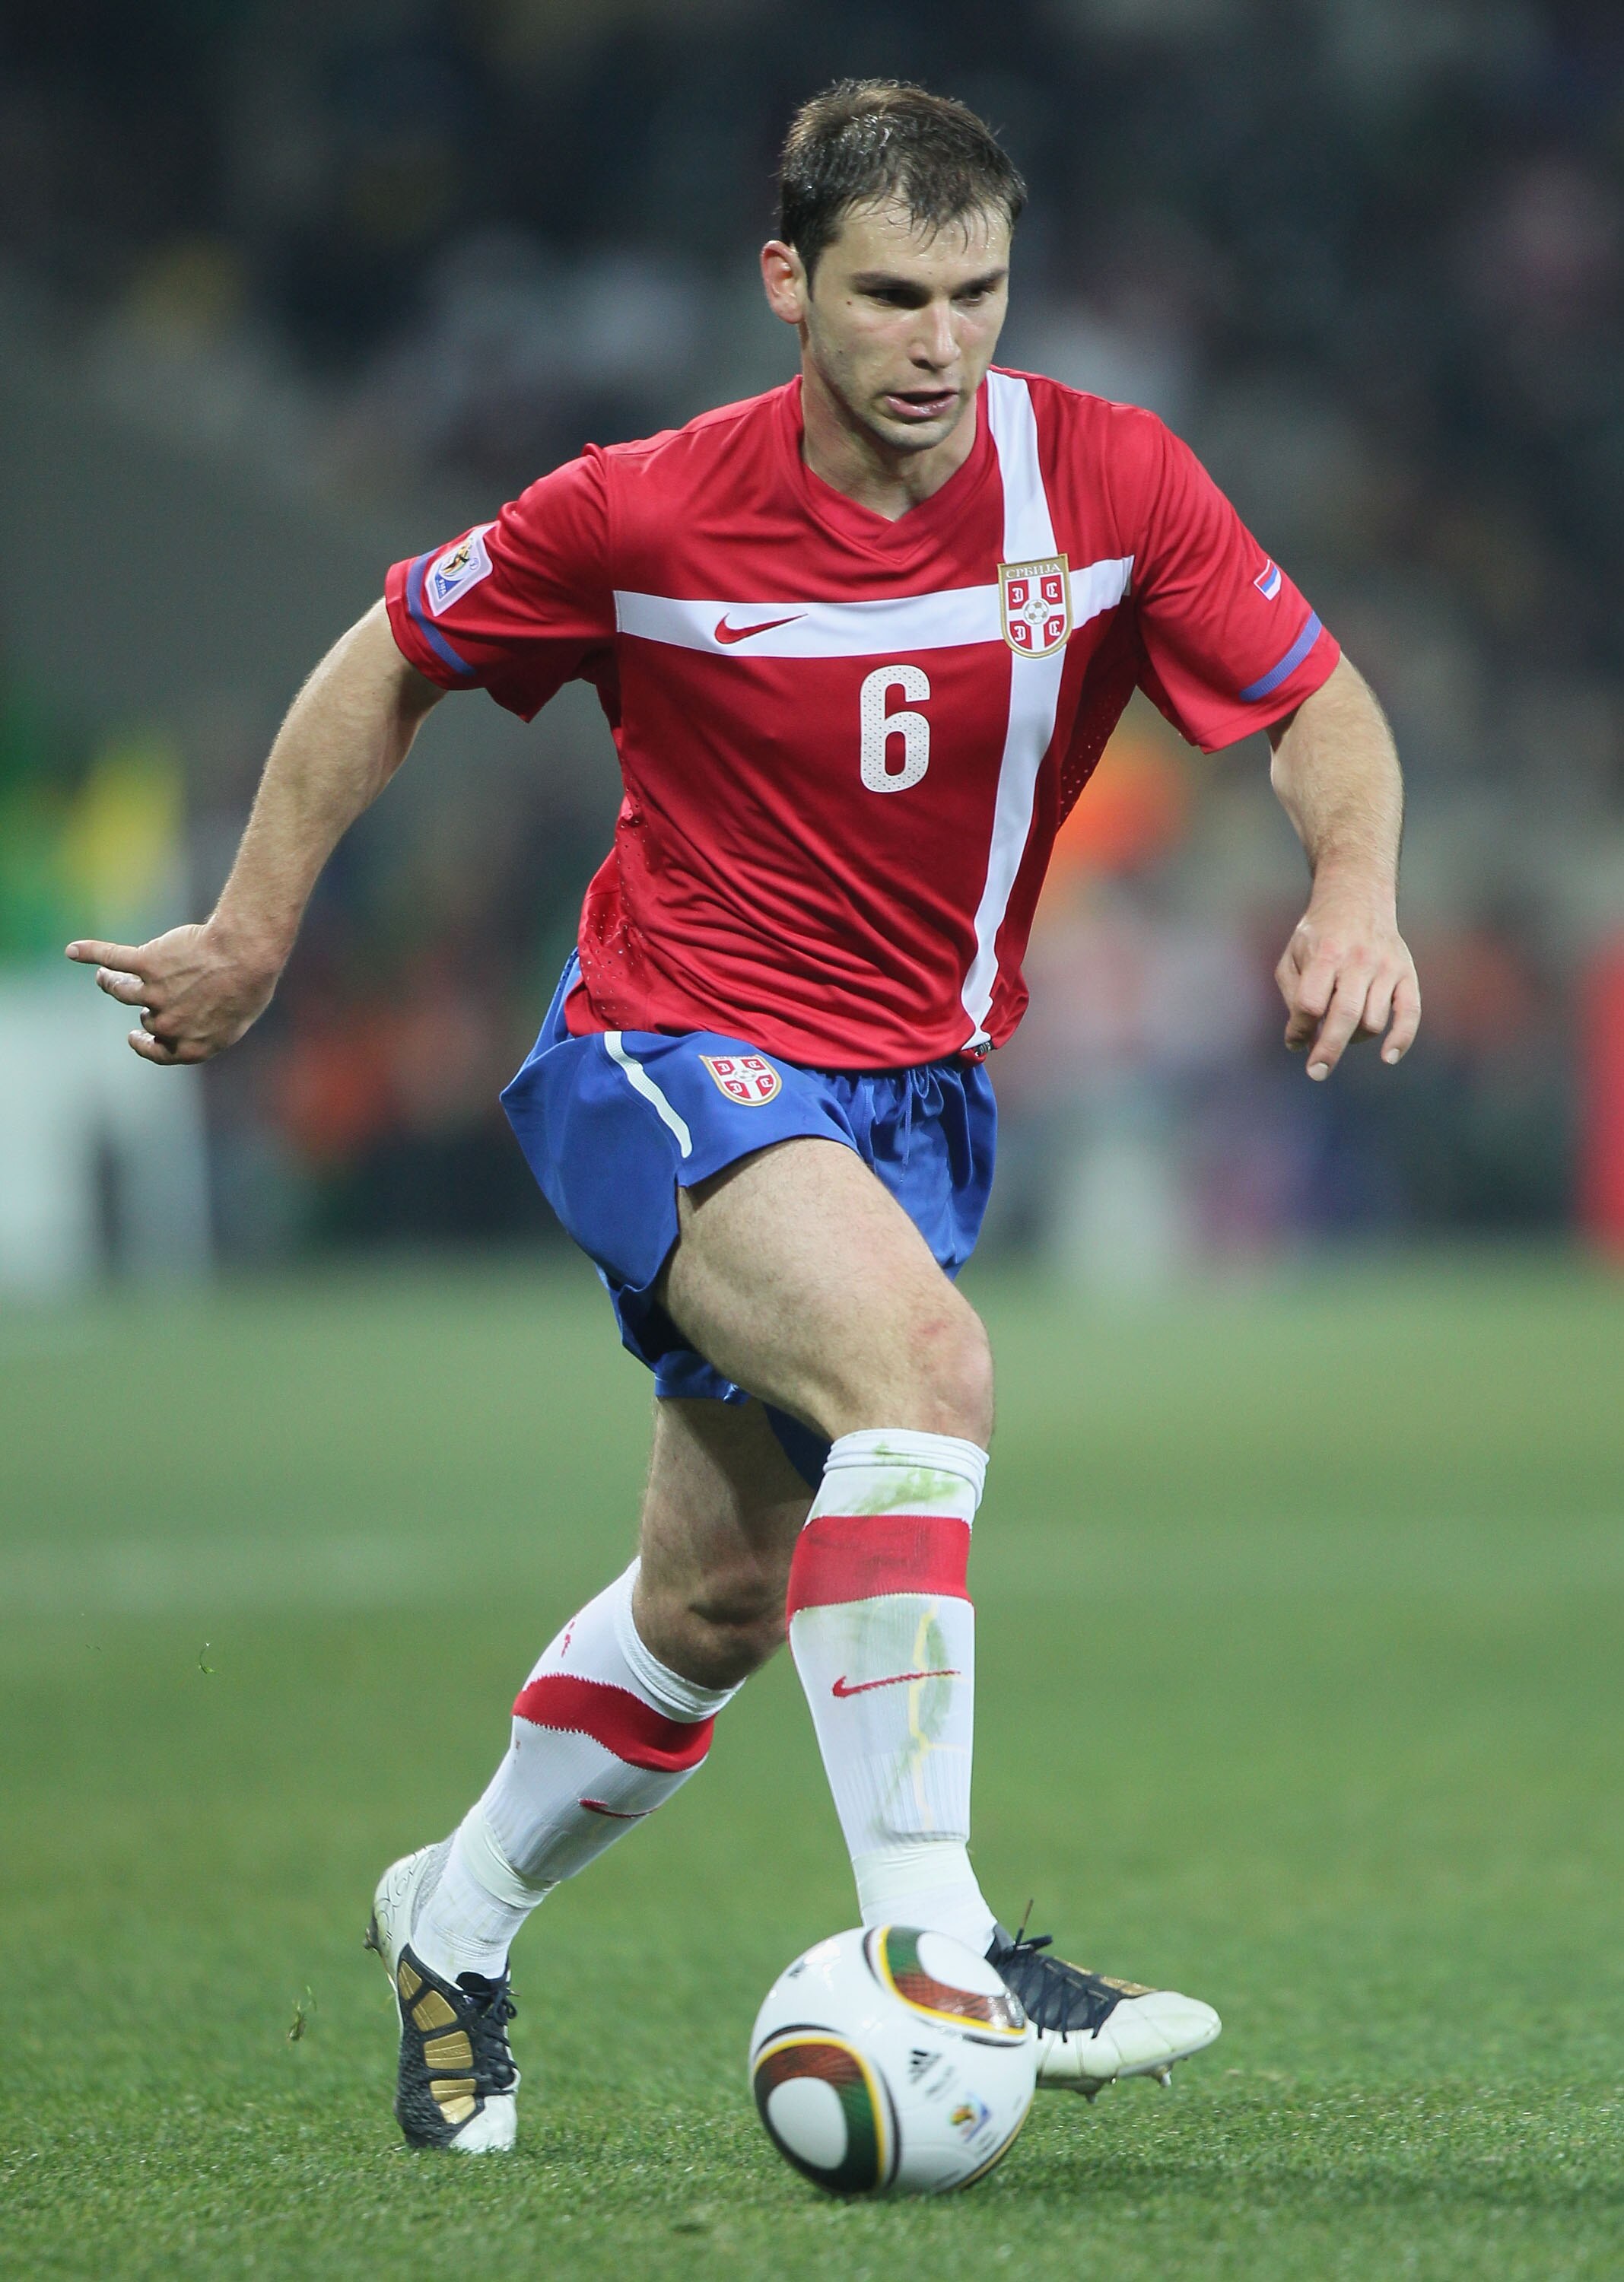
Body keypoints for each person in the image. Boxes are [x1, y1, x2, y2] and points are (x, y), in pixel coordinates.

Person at [67, 81, 1421, 2154]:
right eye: (893, 294)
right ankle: (944, 1947)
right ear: (788, 281)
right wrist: (254, 930)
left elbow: (1319, 704)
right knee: (927, 1379)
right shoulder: (640, 511)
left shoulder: (1111, 483)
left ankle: (454, 1918)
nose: (942, 343)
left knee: (715, 1607)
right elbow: (390, 655)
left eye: (978, 291)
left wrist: (1352, 890)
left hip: (914, 1095)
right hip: (666, 1045)